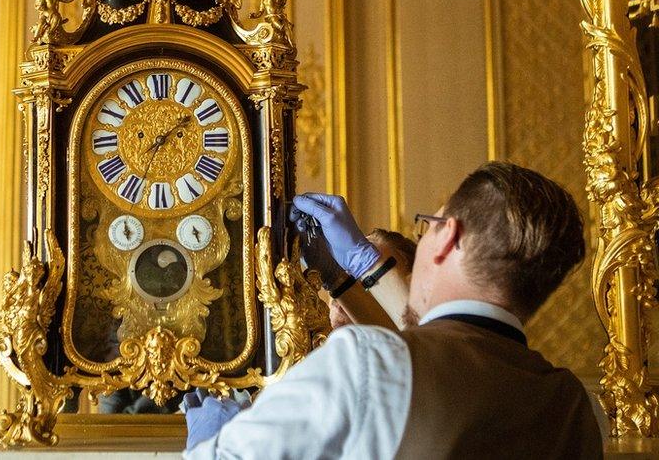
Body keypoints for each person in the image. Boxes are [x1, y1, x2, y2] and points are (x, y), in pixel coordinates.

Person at [183, 162, 602, 459]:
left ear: (447, 236)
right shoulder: (572, 404)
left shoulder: (366, 360)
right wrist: (357, 270)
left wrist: (209, 441)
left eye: (428, 225)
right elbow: (444, 343)